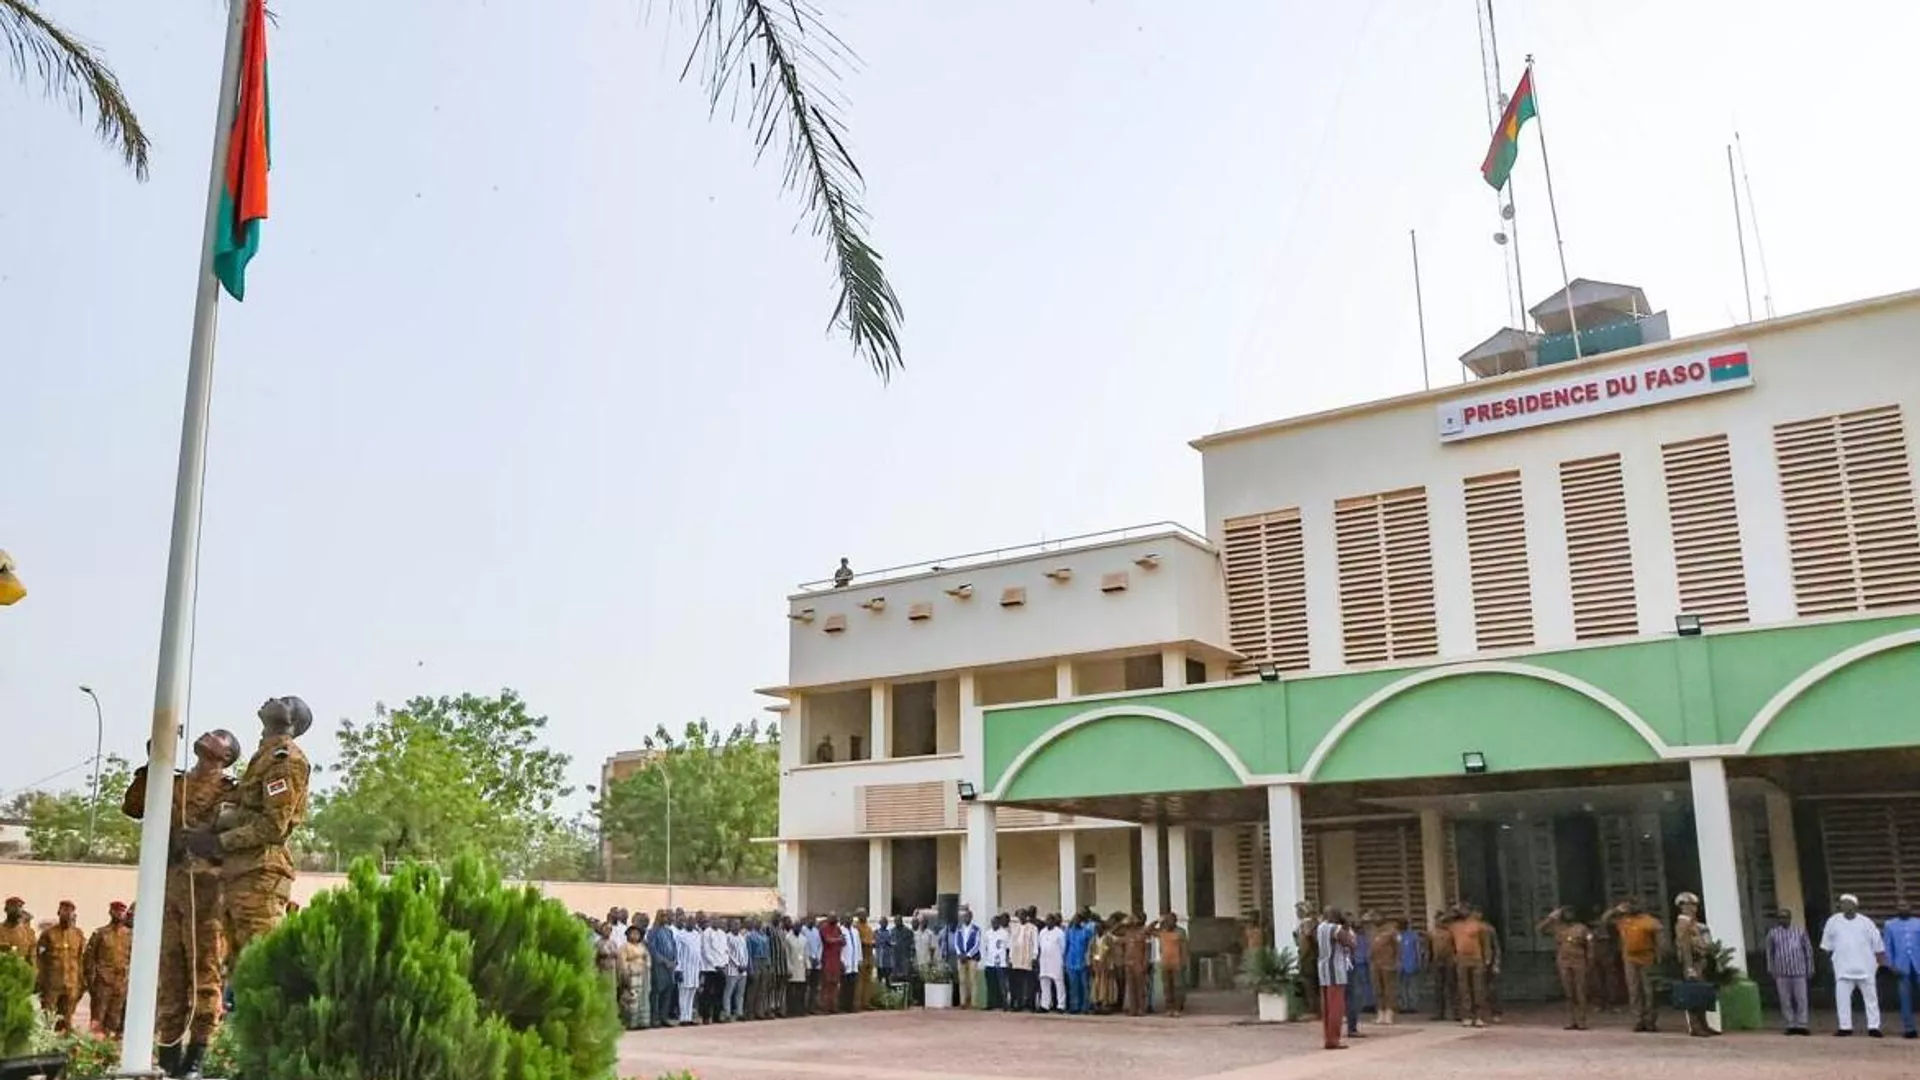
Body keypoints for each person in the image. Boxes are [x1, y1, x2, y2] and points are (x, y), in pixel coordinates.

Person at [127, 727, 242, 1076]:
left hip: (205, 891)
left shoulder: (231, 792)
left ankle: (197, 1056)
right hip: (168, 887)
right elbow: (133, 807)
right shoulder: (171, 781)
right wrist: (152, 765)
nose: (209, 733)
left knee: (203, 974)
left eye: (219, 735)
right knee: (170, 975)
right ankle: (169, 1057)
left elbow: (236, 836)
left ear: (225, 755)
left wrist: (208, 841)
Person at [185, 696, 312, 960]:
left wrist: (218, 843)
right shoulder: (265, 756)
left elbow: (274, 826)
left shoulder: (285, 760)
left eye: (286, 702)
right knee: (240, 971)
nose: (274, 699)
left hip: (260, 876)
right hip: (241, 874)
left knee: (261, 967)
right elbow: (246, 812)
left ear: (292, 721)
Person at [1821, 893, 1887, 1038]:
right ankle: (1845, 1027)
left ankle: (1873, 1027)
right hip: (1842, 968)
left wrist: (1881, 963)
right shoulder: (1833, 921)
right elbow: (1826, 946)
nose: (1845, 906)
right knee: (1842, 1000)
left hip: (1866, 968)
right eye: (1843, 903)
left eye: (1848, 903)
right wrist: (1828, 965)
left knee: (1871, 999)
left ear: (1855, 906)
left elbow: (1878, 945)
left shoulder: (1866, 922)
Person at [1608, 898, 1664, 1033]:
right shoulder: (1624, 921)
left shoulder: (1649, 921)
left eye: (1633, 904)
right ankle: (1638, 1020)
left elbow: (1660, 939)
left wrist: (1659, 957)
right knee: (1634, 991)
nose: (1631, 907)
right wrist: (1615, 910)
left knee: (1649, 991)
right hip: (1630, 959)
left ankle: (1650, 1021)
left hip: (1647, 958)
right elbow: (1604, 921)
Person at [1672, 893, 1720, 1038]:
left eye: (1694, 905)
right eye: (1689, 905)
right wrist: (1689, 966)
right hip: (1693, 961)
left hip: (1700, 961)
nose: (1693, 908)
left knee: (1701, 994)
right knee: (1693, 995)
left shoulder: (1693, 923)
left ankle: (1704, 1024)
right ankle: (1696, 1026)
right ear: (1682, 906)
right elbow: (1685, 946)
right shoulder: (1683, 924)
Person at [1537, 906, 1592, 1030]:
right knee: (1569, 993)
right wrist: (1551, 917)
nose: (1568, 915)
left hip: (1579, 961)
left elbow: (1590, 946)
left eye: (1570, 913)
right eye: (1566, 913)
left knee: (1580, 991)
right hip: (1564, 962)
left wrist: (1590, 963)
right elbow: (1540, 929)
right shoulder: (1558, 927)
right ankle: (1572, 1020)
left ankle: (1582, 1020)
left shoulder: (1582, 928)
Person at [81, 901, 132, 1038]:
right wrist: (91, 981)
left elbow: (133, 959)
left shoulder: (130, 935)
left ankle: (107, 1046)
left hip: (121, 983)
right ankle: (94, 1047)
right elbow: (89, 958)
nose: (119, 914)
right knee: (98, 1017)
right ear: (110, 912)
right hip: (103, 983)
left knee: (114, 1018)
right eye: (116, 911)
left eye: (122, 911)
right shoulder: (100, 933)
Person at [35, 900, 87, 1032]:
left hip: (71, 984)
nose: (67, 915)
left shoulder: (78, 935)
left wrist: (81, 982)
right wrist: (40, 982)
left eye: (70, 912)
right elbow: (40, 959)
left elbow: (81, 959)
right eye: (64, 911)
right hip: (52, 985)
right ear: (59, 913)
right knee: (48, 1019)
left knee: (67, 1020)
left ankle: (64, 1047)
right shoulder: (48, 934)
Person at [1765, 907, 1814, 1036]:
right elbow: (1770, 952)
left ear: (1790, 918)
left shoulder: (1800, 931)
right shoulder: (1773, 933)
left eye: (1785, 917)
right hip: (1781, 972)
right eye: (1780, 917)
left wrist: (1810, 968)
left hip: (1799, 971)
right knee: (1785, 1000)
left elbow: (1808, 950)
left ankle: (1802, 1024)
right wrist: (1771, 969)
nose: (1783, 919)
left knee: (1801, 999)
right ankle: (1790, 1024)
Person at [1315, 908, 1356, 1051]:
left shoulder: (1320, 927)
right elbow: (1349, 942)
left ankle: (1328, 1038)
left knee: (1326, 1008)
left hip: (1323, 970)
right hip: (1336, 971)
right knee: (1336, 1008)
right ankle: (1334, 1039)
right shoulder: (1335, 928)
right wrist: (1348, 930)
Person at [1448, 905, 1495, 1029]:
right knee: (1464, 989)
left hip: (1476, 959)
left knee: (1478, 988)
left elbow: (1485, 943)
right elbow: (1444, 924)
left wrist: (1487, 959)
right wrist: (1453, 911)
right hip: (1461, 960)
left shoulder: (1479, 926)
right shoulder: (1454, 926)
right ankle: (1467, 1016)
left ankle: (1479, 1016)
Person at [1883, 899, 1920, 1039]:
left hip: (1918, 963)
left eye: (1905, 905)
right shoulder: (1890, 925)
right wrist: (1891, 965)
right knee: (1905, 998)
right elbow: (1887, 946)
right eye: (1900, 906)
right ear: (1896, 909)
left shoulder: (1918, 923)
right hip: (1901, 967)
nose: (1903, 908)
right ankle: (1909, 1029)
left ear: (1910, 907)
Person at [646, 909, 679, 1027]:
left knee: (668, 991)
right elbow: (652, 950)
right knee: (657, 992)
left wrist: (674, 960)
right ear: (658, 917)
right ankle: (655, 1018)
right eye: (663, 916)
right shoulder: (652, 932)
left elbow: (674, 946)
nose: (665, 918)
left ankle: (664, 1017)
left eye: (666, 916)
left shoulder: (668, 931)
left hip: (670, 966)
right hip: (659, 966)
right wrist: (664, 961)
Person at [1369, 915, 1401, 1025]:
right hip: (1376, 964)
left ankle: (1389, 1013)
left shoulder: (1392, 931)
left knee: (1389, 990)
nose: (1375, 920)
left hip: (1388, 964)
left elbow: (1398, 948)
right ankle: (1380, 1013)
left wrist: (1396, 961)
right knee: (1378, 990)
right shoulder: (1373, 932)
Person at [1156, 912, 1188, 1018]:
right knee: (1167, 987)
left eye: (1171, 920)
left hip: (1177, 963)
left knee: (1178, 986)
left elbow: (1184, 948)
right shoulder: (1162, 931)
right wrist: (1157, 921)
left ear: (1175, 921)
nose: (1168, 922)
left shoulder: (1181, 932)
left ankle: (1178, 1008)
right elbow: (1147, 931)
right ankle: (1169, 1008)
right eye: (1167, 920)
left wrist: (1183, 962)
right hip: (1165, 963)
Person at [620, 923, 650, 1030]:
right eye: (633, 933)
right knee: (632, 999)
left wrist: (647, 965)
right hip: (631, 975)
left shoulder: (642, 947)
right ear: (628, 935)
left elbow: (647, 958)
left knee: (642, 998)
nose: (635, 936)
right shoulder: (624, 947)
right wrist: (625, 973)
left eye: (637, 934)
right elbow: (622, 962)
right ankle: (631, 1023)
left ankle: (641, 1022)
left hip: (642, 974)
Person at [1427, 908, 1455, 1022]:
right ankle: (1439, 1012)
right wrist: (1429, 963)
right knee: (1438, 989)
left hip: (1450, 962)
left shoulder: (1451, 932)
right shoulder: (1432, 933)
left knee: (1451, 987)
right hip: (1437, 962)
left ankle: (1454, 1012)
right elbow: (1429, 949)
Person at [950, 908, 982, 1010]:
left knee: (972, 980)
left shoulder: (976, 929)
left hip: (972, 958)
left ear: (971, 918)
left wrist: (968, 955)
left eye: (968, 916)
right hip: (961, 957)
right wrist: (960, 954)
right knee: (962, 980)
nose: (966, 918)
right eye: (965, 917)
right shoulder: (959, 928)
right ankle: (963, 1002)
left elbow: (977, 945)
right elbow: (956, 943)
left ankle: (973, 1003)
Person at [674, 914, 702, 1024]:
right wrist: (678, 969)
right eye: (689, 922)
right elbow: (678, 953)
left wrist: (700, 969)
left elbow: (699, 952)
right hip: (684, 968)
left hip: (695, 969)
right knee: (683, 993)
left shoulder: (697, 934)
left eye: (693, 922)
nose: (691, 923)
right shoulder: (680, 935)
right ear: (685, 923)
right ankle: (683, 1018)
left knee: (692, 993)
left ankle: (689, 1017)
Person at [1295, 901, 1321, 1022]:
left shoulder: (1307, 924)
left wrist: (1301, 958)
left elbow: (1305, 943)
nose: (1297, 912)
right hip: (1314, 958)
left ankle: (1313, 1011)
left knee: (1310, 985)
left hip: (1309, 959)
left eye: (1299, 910)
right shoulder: (1315, 923)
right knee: (1312, 985)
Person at [1009, 908, 1038, 1012]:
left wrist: (1035, 957)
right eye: (1019, 915)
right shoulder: (1014, 927)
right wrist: (1010, 957)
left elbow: (1035, 943)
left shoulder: (1033, 928)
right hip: (1016, 959)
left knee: (1030, 983)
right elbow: (1011, 943)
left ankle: (1030, 1004)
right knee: (1018, 983)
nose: (1020, 917)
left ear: (1026, 916)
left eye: (1022, 915)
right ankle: (1019, 1004)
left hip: (1028, 958)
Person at [1036, 913, 1067, 1013]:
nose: (1047, 922)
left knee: (1059, 983)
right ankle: (1045, 1005)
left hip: (1056, 961)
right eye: (1046, 920)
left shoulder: (1060, 933)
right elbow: (1040, 945)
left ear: (1054, 921)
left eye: (1049, 920)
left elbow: (1063, 948)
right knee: (1044, 983)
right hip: (1044, 960)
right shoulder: (1042, 932)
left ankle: (1061, 1005)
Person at [1120, 916, 1149, 1017]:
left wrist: (1145, 963)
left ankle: (1141, 1009)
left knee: (1140, 988)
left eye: (1129, 925)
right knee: (1131, 988)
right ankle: (1133, 1009)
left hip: (1138, 963)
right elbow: (1113, 935)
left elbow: (1146, 950)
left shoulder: (1142, 934)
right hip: (1128, 963)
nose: (1128, 927)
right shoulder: (1126, 934)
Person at [1396, 917, 1426, 1014]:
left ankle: (1413, 1006)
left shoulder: (1413, 935)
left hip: (1411, 963)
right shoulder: (1397, 935)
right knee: (1401, 986)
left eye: (1403, 923)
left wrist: (1419, 962)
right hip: (1400, 965)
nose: (1401, 926)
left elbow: (1418, 950)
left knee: (1412, 986)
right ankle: (1403, 1005)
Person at [1064, 914, 1092, 1015]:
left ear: (1081, 921)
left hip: (1083, 962)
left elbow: (1089, 946)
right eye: (1074, 919)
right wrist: (1065, 962)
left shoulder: (1086, 931)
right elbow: (1066, 946)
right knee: (1073, 986)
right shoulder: (1069, 932)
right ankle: (1074, 1006)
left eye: (1077, 919)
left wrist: (1089, 961)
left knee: (1084, 986)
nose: (1075, 921)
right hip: (1071, 962)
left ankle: (1085, 1007)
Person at [819, 915, 846, 1014]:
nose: (835, 920)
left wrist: (841, 940)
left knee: (835, 984)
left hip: (836, 960)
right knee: (826, 984)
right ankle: (825, 1007)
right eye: (833, 918)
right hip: (827, 960)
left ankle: (833, 1006)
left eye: (836, 918)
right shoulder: (824, 928)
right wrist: (838, 939)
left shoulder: (837, 928)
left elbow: (843, 942)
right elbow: (827, 940)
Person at [724, 919, 749, 1021]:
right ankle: (727, 1013)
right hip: (732, 970)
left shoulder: (742, 937)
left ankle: (739, 1012)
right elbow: (728, 953)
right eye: (735, 924)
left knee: (740, 994)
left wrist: (745, 965)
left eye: (739, 925)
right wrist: (738, 965)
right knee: (728, 993)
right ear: (731, 926)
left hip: (743, 971)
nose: (737, 926)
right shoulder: (727, 937)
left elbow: (746, 952)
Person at [784, 919, 810, 1017]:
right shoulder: (788, 938)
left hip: (801, 968)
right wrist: (788, 968)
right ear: (793, 927)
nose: (797, 928)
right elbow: (786, 955)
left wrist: (808, 966)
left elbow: (806, 954)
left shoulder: (804, 939)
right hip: (792, 967)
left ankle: (800, 1010)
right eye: (796, 926)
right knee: (791, 991)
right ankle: (791, 1010)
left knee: (801, 991)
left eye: (799, 926)